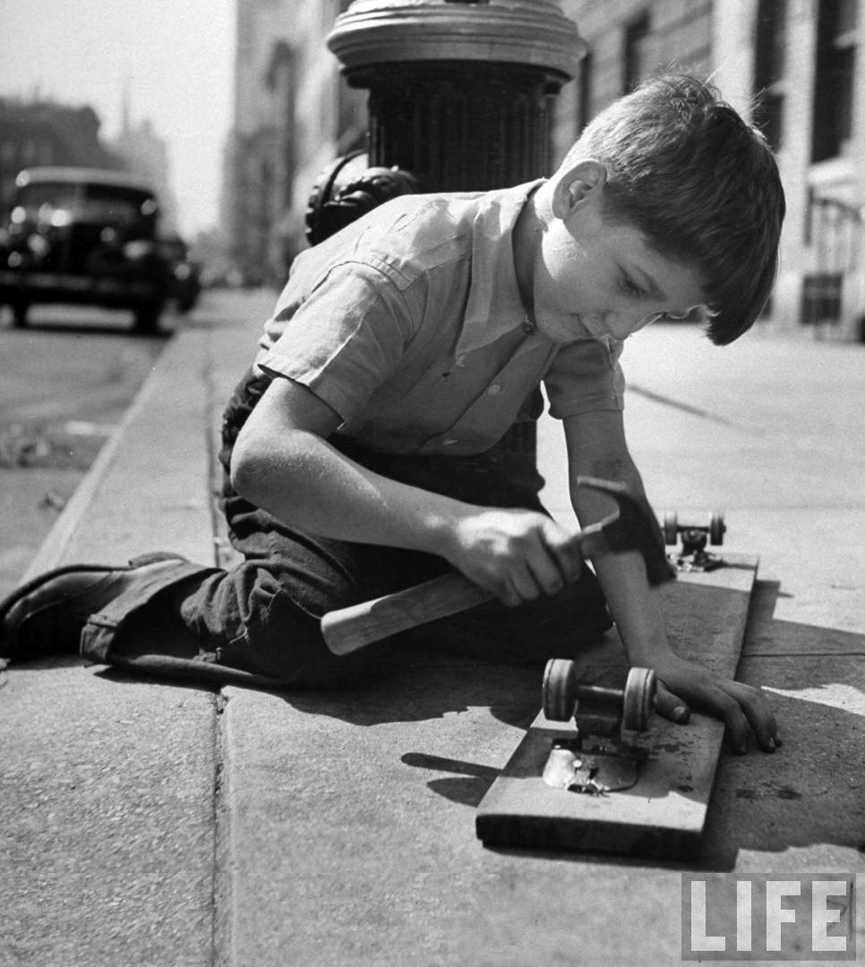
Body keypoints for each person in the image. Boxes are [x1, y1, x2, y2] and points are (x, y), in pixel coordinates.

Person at [0, 74, 783, 754]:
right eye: (635, 285)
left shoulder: (582, 306)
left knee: (567, 607)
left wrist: (651, 649)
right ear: (579, 193)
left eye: (658, 312)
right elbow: (267, 456)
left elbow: (604, 474)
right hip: (317, 451)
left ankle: (385, 569)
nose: (624, 326)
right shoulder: (409, 264)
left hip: (443, 461)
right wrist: (449, 531)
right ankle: (134, 596)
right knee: (303, 632)